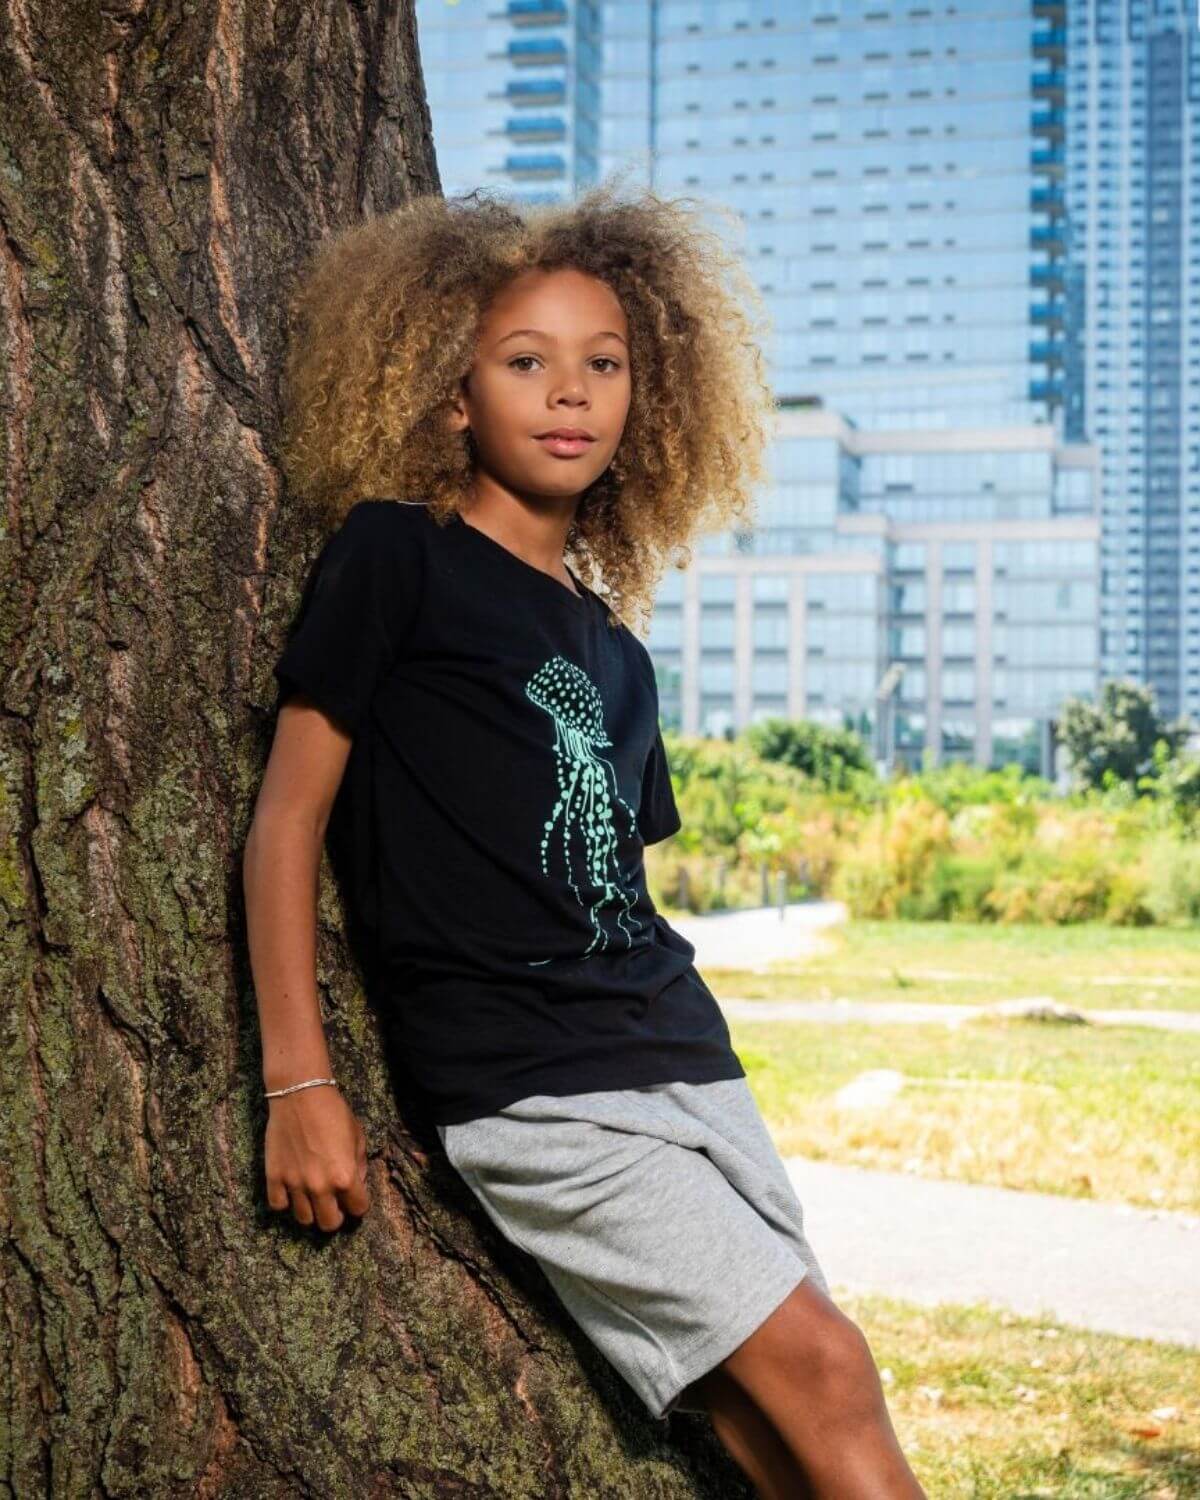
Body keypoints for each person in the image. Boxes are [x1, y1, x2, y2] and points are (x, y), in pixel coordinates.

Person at [243, 182, 926, 1500]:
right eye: (526, 361)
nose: (570, 392)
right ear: (455, 396)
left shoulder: (614, 651)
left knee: (773, 1433)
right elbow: (286, 821)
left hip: (682, 1057)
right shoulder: (400, 559)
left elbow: (616, 883)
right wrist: (297, 1082)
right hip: (528, 1080)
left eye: (602, 364)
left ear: (640, 403)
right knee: (830, 1373)